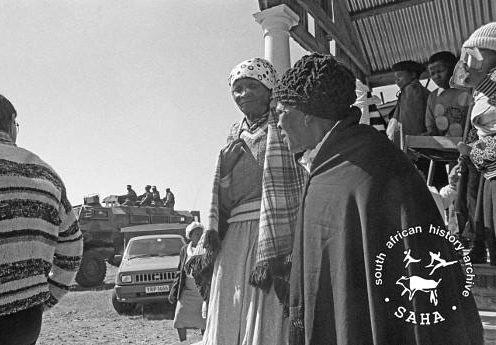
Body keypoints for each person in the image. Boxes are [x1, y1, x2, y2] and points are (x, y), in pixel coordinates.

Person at [274, 53, 483, 345]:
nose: (277, 122)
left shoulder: (376, 167)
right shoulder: (325, 168)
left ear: (307, 113)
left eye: (281, 110)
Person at [0, 90, 83, 345]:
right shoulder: (44, 171)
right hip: (26, 323)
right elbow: (72, 248)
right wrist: (46, 298)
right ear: (11, 123)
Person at [187, 58, 304, 345]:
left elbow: (299, 178)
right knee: (231, 301)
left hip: (274, 234)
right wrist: (224, 172)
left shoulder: (285, 125)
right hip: (235, 239)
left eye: (252, 85)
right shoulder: (233, 133)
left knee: (268, 306)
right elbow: (225, 198)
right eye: (237, 89)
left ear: (269, 88)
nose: (243, 94)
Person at [453, 21, 496, 265]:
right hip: (488, 175)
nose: (470, 62)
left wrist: (478, 152)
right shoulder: (480, 92)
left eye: (476, 55)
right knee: (489, 234)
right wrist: (469, 155)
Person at [169, 222, 206, 342]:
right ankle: (183, 342)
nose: (199, 236)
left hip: (202, 290)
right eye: (196, 234)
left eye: (201, 233)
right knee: (179, 317)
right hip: (187, 289)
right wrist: (173, 292)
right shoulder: (185, 250)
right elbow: (180, 272)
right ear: (189, 235)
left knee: (204, 319)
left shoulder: (207, 248)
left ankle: (205, 341)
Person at [424, 51, 471, 137]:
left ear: (454, 69)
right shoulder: (432, 97)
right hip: (443, 149)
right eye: (432, 74)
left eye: (440, 71)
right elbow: (431, 128)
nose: (436, 76)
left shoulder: (469, 91)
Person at [388, 60, 430, 137]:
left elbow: (411, 122)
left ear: (413, 75)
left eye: (400, 75)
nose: (396, 80)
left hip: (413, 141)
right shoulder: (412, 89)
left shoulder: (412, 89)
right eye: (395, 78)